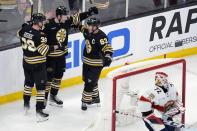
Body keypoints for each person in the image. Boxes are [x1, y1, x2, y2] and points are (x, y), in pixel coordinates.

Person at [43, 6, 98, 107]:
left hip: (61, 57)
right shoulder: (48, 24)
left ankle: (53, 96)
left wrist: (89, 13)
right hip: (50, 58)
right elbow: (37, 32)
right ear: (58, 16)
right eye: (64, 15)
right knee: (48, 80)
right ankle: (44, 99)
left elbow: (78, 17)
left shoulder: (66, 22)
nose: (66, 16)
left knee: (58, 77)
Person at [18, 13, 61, 122]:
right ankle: (39, 112)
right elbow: (44, 51)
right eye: (42, 21)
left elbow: (18, 33)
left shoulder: (24, 29)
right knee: (41, 88)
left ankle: (26, 105)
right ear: (38, 22)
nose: (44, 23)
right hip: (38, 64)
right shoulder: (40, 35)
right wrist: (56, 46)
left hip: (26, 62)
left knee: (28, 84)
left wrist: (27, 26)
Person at [78, 17, 113, 111]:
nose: (88, 27)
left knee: (89, 84)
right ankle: (96, 98)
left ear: (96, 27)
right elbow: (79, 26)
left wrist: (108, 56)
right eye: (88, 25)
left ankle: (84, 101)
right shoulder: (87, 31)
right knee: (87, 80)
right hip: (86, 62)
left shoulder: (101, 36)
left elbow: (107, 47)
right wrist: (76, 20)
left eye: (90, 25)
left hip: (96, 64)